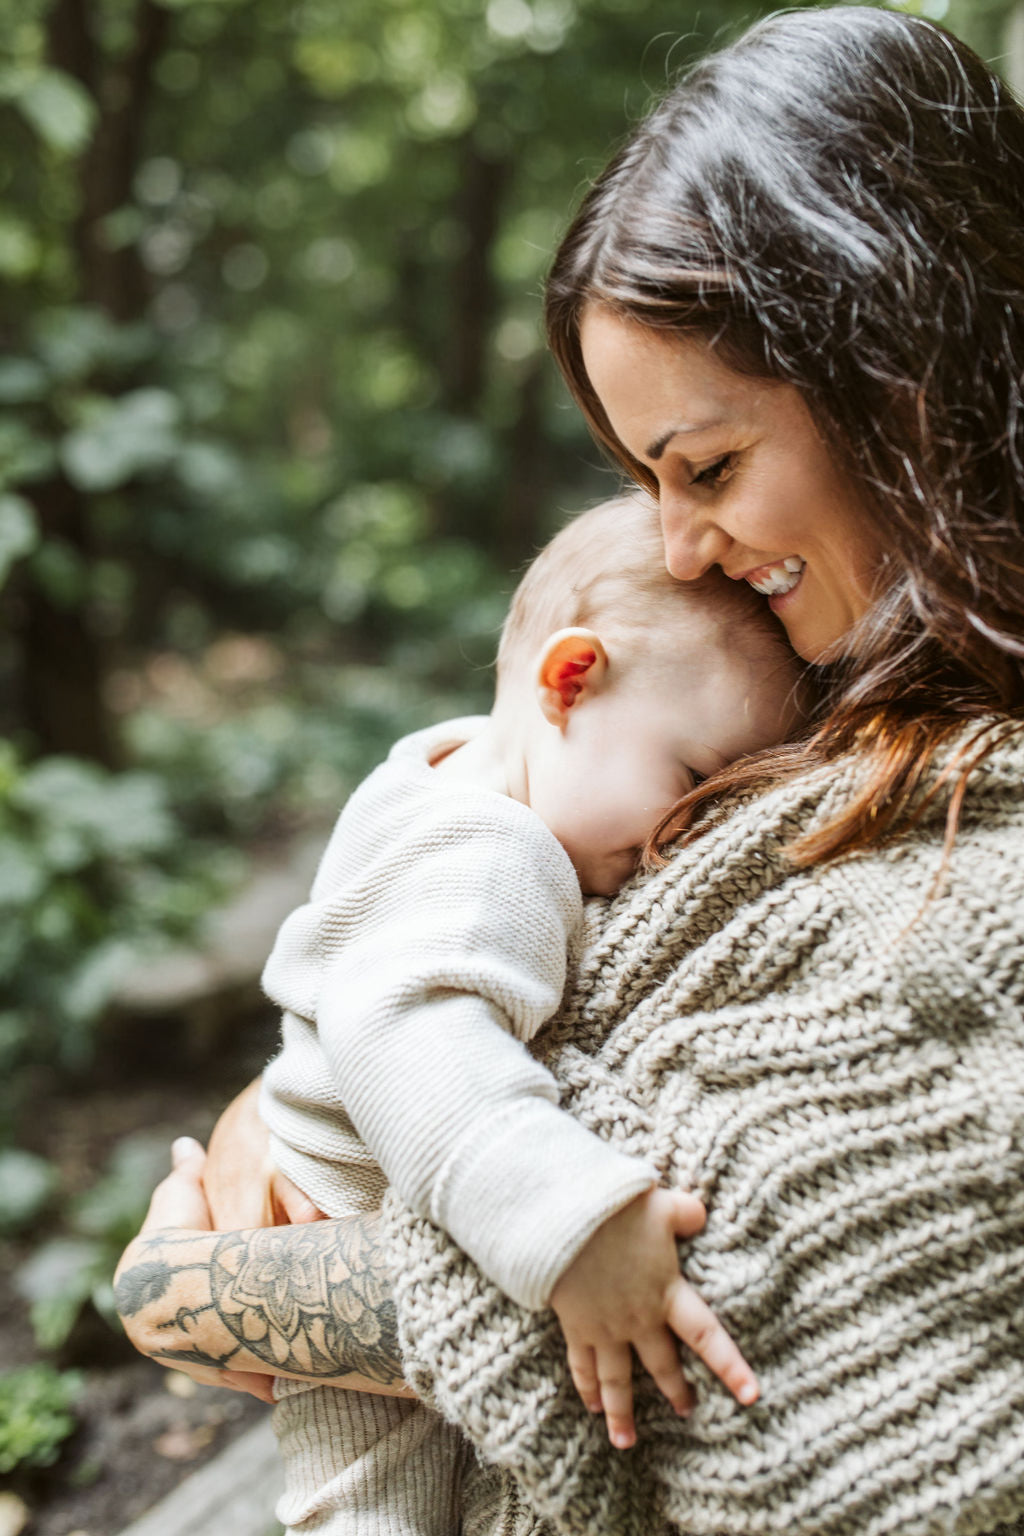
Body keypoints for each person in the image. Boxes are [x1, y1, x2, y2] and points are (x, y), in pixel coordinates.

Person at [116, 8, 1024, 1536]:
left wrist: (196, 1293)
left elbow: (782, 1291)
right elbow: (434, 990)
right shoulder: (815, 682)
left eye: (711, 466)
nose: (676, 549)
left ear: (900, 379)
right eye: (647, 480)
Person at [242, 494, 796, 1535]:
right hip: (348, 1227)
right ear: (570, 679)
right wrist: (572, 1223)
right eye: (689, 780)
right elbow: (405, 1033)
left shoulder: (440, 772)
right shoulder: (495, 849)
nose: (683, 839)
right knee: (370, 1512)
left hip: (372, 1218)